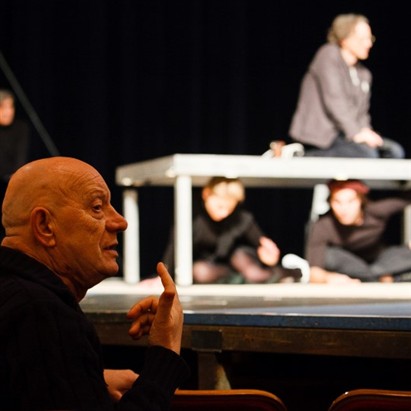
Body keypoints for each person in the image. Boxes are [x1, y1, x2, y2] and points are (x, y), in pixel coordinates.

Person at [0, 156, 190, 410]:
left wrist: (87, 381)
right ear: (45, 226)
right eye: (97, 207)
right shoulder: (40, 313)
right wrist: (166, 351)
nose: (121, 222)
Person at [289, 14, 405, 159]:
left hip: (345, 136)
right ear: (345, 39)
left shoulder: (363, 73)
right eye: (363, 39)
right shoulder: (328, 55)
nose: (368, 44)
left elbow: (362, 114)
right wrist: (356, 133)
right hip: (322, 137)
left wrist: (366, 132)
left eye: (370, 38)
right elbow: (334, 100)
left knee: (394, 152)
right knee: (366, 154)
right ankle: (303, 155)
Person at [162, 176, 305, 284]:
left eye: (229, 208)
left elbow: (261, 243)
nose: (224, 213)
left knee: (253, 272)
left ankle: (295, 272)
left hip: (238, 260)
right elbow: (174, 245)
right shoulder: (193, 216)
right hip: (212, 267)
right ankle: (238, 279)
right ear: (206, 194)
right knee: (200, 272)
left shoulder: (241, 218)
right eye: (219, 206)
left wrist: (269, 256)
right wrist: (164, 277)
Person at [305, 179, 411, 283]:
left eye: (350, 201)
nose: (344, 208)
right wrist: (329, 278)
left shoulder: (375, 211)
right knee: (329, 256)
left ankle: (374, 277)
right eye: (337, 202)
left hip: (381, 262)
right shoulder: (323, 225)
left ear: (361, 200)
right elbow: (314, 272)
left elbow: (407, 198)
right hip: (349, 267)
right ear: (330, 203)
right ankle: (377, 277)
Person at [0, 88, 30, 239]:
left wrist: (16, 178)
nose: (8, 112)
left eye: (10, 106)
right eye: (3, 107)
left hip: (13, 182)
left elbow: (20, 157)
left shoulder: (20, 128)